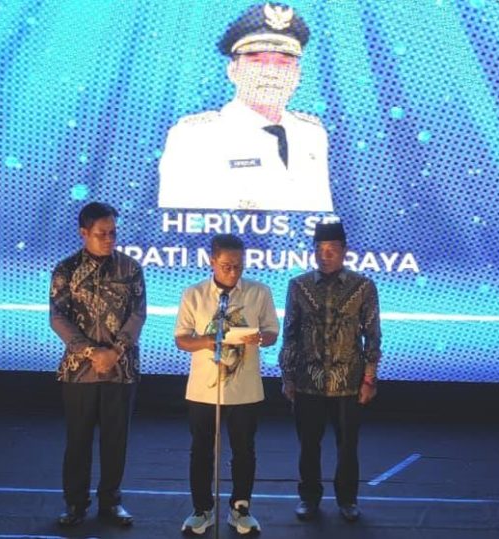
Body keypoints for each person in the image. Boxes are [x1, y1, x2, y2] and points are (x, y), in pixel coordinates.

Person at [158, 2, 333, 212]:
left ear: (297, 75)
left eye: (283, 64)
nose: (270, 73)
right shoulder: (195, 137)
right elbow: (180, 222)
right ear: (233, 71)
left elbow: (320, 217)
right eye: (257, 62)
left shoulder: (312, 135)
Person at [49, 202, 147, 528]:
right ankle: (75, 503)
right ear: (84, 232)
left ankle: (111, 502)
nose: (109, 239)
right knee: (78, 440)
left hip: (121, 369)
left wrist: (115, 351)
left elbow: (138, 314)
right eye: (102, 233)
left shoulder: (130, 268)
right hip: (80, 371)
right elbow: (58, 317)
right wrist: (92, 352)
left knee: (115, 440)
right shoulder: (66, 270)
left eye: (113, 233)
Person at [175, 234, 279, 535]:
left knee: (244, 450)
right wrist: (208, 341)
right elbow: (181, 339)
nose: (233, 272)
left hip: (245, 388)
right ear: (212, 261)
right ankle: (202, 509)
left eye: (238, 266)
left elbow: (272, 333)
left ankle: (240, 509)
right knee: (201, 450)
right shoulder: (194, 294)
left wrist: (259, 338)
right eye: (226, 266)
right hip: (203, 389)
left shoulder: (259, 292)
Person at [278, 221, 382, 522]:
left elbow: (372, 335)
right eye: (320, 250)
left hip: (348, 381)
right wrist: (287, 376)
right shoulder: (299, 286)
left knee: (348, 446)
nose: (325, 256)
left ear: (344, 251)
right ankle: (309, 497)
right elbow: (290, 334)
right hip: (307, 380)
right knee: (308, 445)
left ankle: (347, 499)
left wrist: (369, 378)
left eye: (332, 250)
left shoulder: (363, 287)